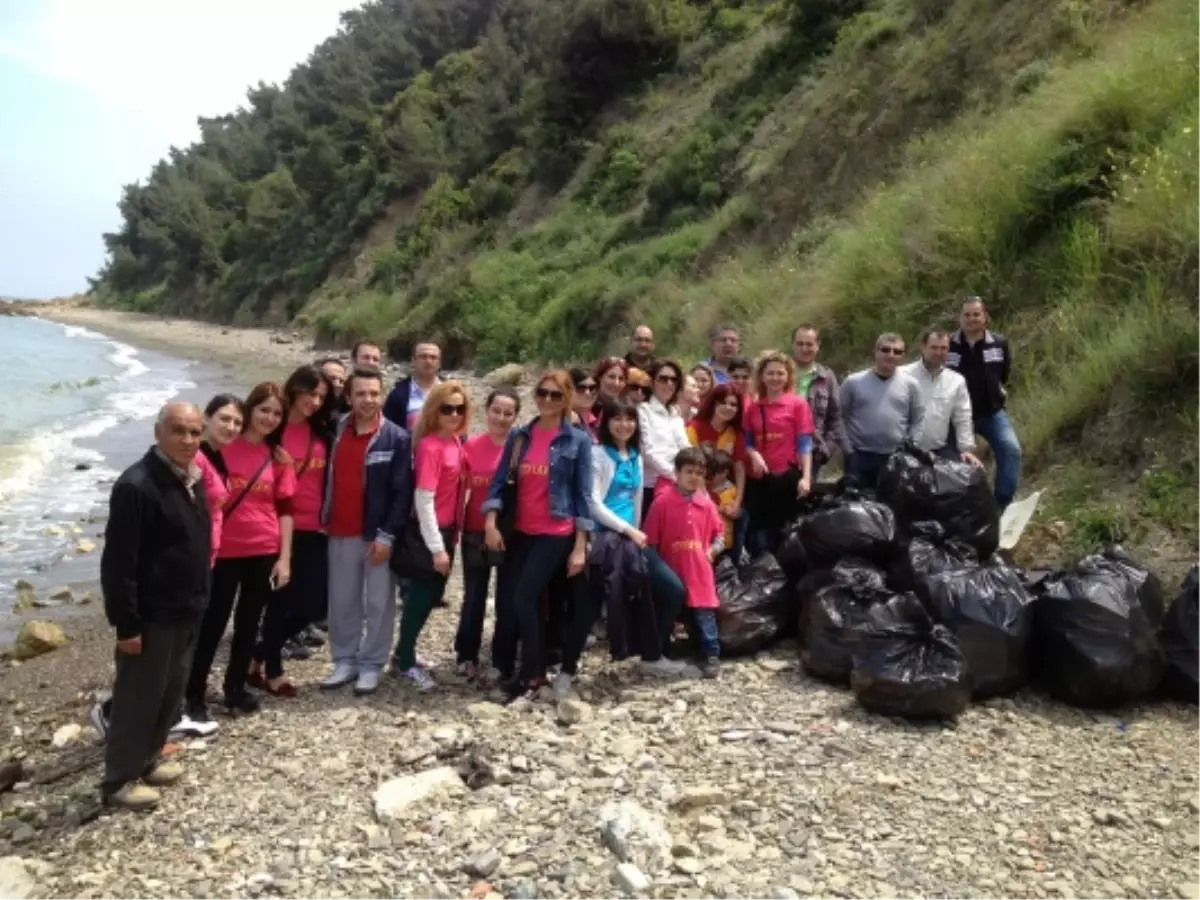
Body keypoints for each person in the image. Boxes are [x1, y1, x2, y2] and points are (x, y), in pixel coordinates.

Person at [99, 403, 211, 811]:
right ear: (158, 432)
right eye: (179, 431)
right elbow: (118, 563)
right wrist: (126, 625)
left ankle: (148, 761)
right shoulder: (137, 486)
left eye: (196, 432)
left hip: (186, 607)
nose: (188, 440)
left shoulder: (192, 478)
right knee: (137, 698)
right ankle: (118, 781)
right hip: (150, 616)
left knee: (169, 693)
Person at [184, 384, 295, 723]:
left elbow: (285, 509)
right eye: (264, 410)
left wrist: (285, 557)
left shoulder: (278, 457)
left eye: (277, 414)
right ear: (250, 410)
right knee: (213, 623)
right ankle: (195, 693)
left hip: (264, 548)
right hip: (224, 552)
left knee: (249, 624)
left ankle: (235, 687)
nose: (270, 418)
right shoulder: (220, 449)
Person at [483, 370, 594, 701]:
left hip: (556, 532)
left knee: (524, 598)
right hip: (520, 530)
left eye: (555, 395)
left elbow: (582, 496)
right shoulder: (520, 437)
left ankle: (532, 674)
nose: (547, 400)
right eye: (542, 393)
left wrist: (579, 546)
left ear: (566, 399)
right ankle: (521, 668)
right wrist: (490, 522)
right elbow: (499, 483)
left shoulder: (578, 441)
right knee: (512, 600)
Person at [321, 366, 413, 696]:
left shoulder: (396, 438)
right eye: (360, 393)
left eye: (374, 393)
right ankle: (344, 660)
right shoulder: (336, 430)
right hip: (339, 530)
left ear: (382, 394)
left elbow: (402, 492)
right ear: (348, 397)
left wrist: (387, 535)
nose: (368, 399)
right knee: (343, 601)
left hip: (376, 534)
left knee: (378, 602)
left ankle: (372, 664)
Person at [249, 366, 334, 695]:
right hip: (278, 529)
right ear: (295, 389)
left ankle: (257, 655)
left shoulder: (322, 433)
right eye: (310, 393)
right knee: (279, 603)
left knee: (314, 604)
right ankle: (273, 671)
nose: (314, 401)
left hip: (315, 527)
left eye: (321, 397)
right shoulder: (273, 430)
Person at [590, 397, 685, 675]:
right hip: (607, 537)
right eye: (617, 419)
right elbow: (593, 503)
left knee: (671, 590)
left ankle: (651, 651)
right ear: (606, 423)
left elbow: (636, 500)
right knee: (615, 596)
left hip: (633, 538)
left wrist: (638, 530)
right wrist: (628, 529)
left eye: (629, 419)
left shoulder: (635, 457)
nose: (624, 425)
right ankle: (647, 654)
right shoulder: (598, 455)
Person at [393, 381, 471, 691]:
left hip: (449, 529)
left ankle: (404, 651)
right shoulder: (429, 446)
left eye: (459, 408)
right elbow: (423, 499)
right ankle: (405, 661)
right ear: (434, 410)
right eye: (447, 408)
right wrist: (437, 547)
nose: (454, 414)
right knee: (421, 597)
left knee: (430, 596)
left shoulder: (454, 440)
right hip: (431, 532)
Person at [455, 388, 520, 681]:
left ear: (516, 417)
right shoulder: (469, 446)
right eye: (497, 411)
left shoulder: (521, 449)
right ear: (486, 411)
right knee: (474, 595)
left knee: (508, 596)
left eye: (508, 413)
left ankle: (502, 657)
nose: (501, 418)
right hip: (473, 531)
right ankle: (466, 654)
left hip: (511, 533)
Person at [643, 447, 725, 679]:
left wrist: (712, 551)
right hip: (672, 567)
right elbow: (650, 541)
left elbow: (720, 534)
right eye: (689, 471)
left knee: (704, 613)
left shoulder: (706, 504)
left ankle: (711, 654)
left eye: (699, 473)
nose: (694, 477)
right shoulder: (662, 503)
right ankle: (664, 650)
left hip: (700, 569)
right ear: (676, 473)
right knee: (669, 610)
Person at [947, 297, 1022, 509]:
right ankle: (962, 508)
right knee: (954, 462)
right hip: (955, 416)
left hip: (991, 412)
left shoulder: (998, 343)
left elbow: (1003, 374)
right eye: (967, 315)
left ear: (985, 317)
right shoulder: (948, 345)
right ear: (959, 318)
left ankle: (1001, 505)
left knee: (1011, 451)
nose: (972, 319)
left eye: (976, 314)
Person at [743, 351, 814, 554]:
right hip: (760, 478)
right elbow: (747, 442)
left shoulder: (797, 404)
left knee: (786, 528)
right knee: (760, 527)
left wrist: (807, 478)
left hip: (787, 475)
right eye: (770, 373)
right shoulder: (754, 408)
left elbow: (804, 443)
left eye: (780, 373)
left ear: (788, 376)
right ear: (762, 377)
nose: (775, 378)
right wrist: (753, 454)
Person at [839, 333, 926, 490]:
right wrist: (847, 448)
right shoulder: (853, 382)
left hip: (895, 457)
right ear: (875, 351)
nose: (891, 355)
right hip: (859, 456)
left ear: (902, 355)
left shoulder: (911, 384)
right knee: (855, 505)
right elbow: (838, 416)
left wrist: (911, 445)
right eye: (885, 350)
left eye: (897, 351)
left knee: (892, 505)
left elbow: (918, 418)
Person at [901, 330, 981, 465]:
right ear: (923, 347)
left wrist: (966, 449)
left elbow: (962, 417)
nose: (938, 353)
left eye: (943, 348)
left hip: (939, 450)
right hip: (904, 451)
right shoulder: (902, 375)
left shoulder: (956, 381)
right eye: (934, 347)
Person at [687, 385, 747, 557]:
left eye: (733, 404)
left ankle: (733, 565)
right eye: (723, 402)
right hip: (696, 490)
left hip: (724, 490)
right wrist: (709, 501)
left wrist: (737, 502)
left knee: (741, 515)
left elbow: (739, 468)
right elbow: (689, 466)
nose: (728, 408)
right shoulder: (694, 428)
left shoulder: (734, 433)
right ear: (713, 403)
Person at [791, 324, 846, 480]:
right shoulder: (781, 373)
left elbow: (835, 416)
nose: (804, 348)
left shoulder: (826, 377)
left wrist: (826, 449)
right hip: (780, 451)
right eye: (800, 344)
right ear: (793, 345)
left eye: (809, 344)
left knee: (805, 499)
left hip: (812, 452)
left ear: (818, 345)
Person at [637, 359, 691, 516]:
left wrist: (692, 471)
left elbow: (684, 445)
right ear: (652, 382)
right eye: (663, 378)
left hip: (679, 483)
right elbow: (647, 452)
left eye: (674, 379)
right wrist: (676, 475)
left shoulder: (675, 412)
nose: (669, 383)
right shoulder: (643, 410)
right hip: (651, 486)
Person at [382, 341, 442, 431]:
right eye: (423, 357)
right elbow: (388, 430)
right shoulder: (398, 395)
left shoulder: (451, 391)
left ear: (439, 363)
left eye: (433, 357)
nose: (428, 361)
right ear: (413, 361)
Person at [706, 450, 738, 559]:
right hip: (708, 539)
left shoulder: (731, 491)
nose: (710, 475)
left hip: (724, 540)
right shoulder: (705, 487)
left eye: (714, 472)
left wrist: (721, 508)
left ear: (724, 473)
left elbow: (734, 513)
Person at [569, 367, 600, 439]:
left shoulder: (599, 422)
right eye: (580, 388)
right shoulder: (562, 421)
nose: (587, 393)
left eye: (592, 388)